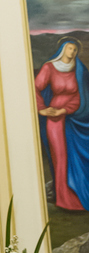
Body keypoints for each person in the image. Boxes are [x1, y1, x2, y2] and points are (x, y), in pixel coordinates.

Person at [35, 38, 89, 210]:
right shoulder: (49, 67)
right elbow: (34, 87)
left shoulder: (78, 70)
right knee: (60, 157)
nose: (72, 52)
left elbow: (80, 96)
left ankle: (79, 196)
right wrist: (42, 108)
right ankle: (64, 199)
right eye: (70, 48)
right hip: (54, 119)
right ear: (62, 49)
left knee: (76, 155)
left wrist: (65, 110)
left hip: (73, 117)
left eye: (75, 50)